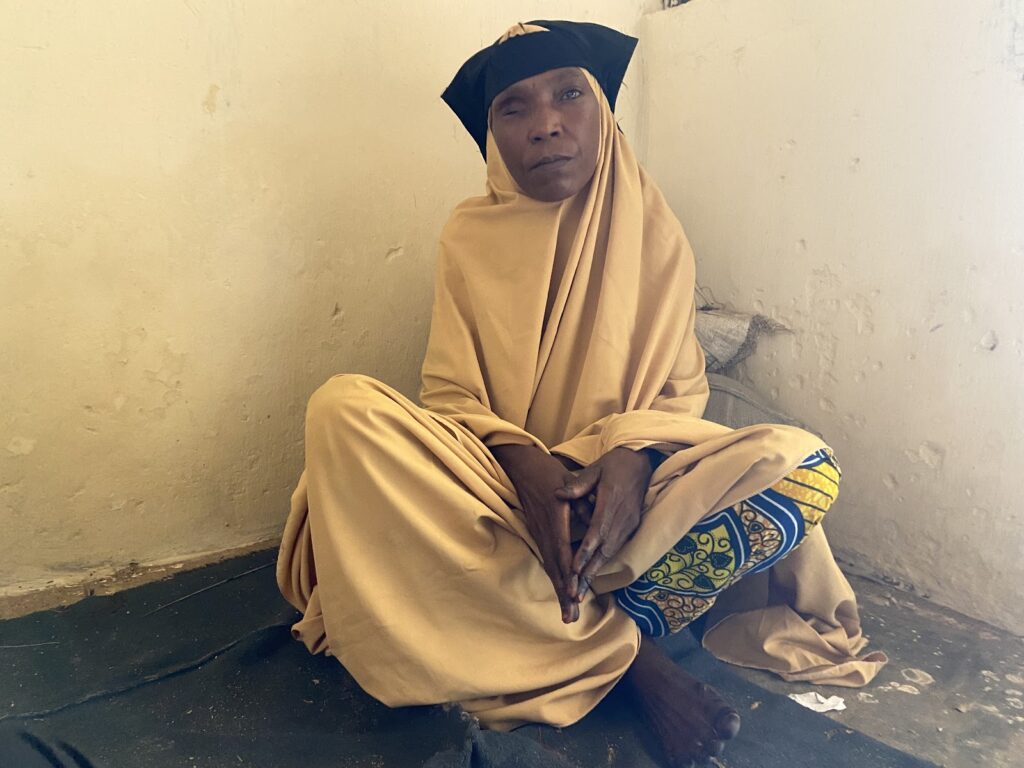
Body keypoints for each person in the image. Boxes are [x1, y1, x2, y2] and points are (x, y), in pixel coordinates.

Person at [277, 20, 886, 767]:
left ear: (601, 112)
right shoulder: (468, 237)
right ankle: (628, 660)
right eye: (515, 109)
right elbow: (452, 395)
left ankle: (522, 620)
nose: (546, 126)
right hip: (496, 496)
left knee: (801, 463)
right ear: (494, 138)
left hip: (631, 506)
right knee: (343, 410)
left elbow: (678, 387)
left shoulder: (652, 228)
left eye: (569, 95)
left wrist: (629, 460)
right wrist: (529, 468)